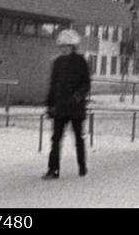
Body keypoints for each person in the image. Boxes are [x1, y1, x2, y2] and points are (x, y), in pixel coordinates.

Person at [43, 28, 90, 179]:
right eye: (61, 46)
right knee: (56, 140)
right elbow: (53, 85)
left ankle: (82, 166)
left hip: (75, 108)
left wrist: (78, 96)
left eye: (66, 46)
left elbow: (86, 84)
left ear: (72, 47)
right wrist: (50, 105)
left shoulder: (81, 61)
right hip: (60, 108)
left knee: (78, 139)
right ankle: (53, 170)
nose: (63, 49)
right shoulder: (57, 62)